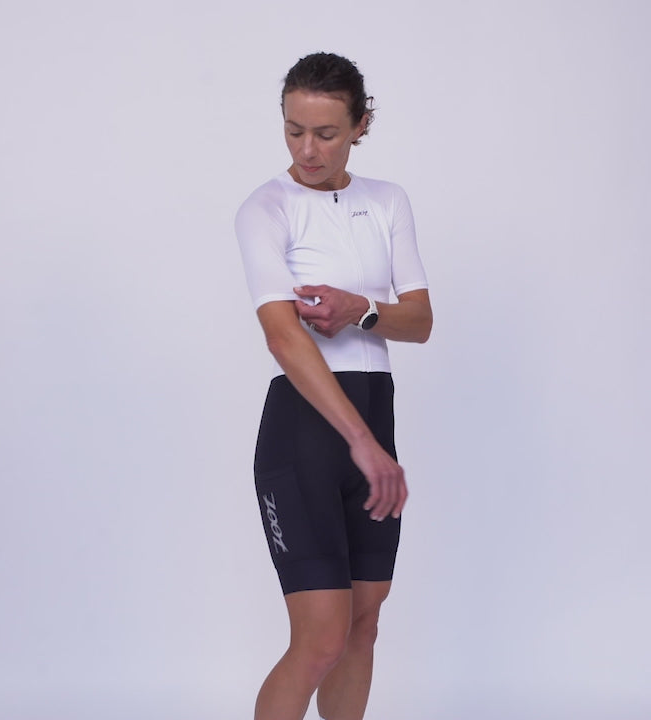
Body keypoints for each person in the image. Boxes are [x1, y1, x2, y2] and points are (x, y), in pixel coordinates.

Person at [235, 52, 432, 720]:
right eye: (294, 130)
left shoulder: (387, 201)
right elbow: (283, 337)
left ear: (360, 125)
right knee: (320, 639)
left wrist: (361, 310)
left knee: (362, 628)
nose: (307, 150)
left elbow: (420, 321)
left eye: (325, 133)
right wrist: (362, 443)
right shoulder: (266, 208)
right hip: (306, 435)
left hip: (377, 417)